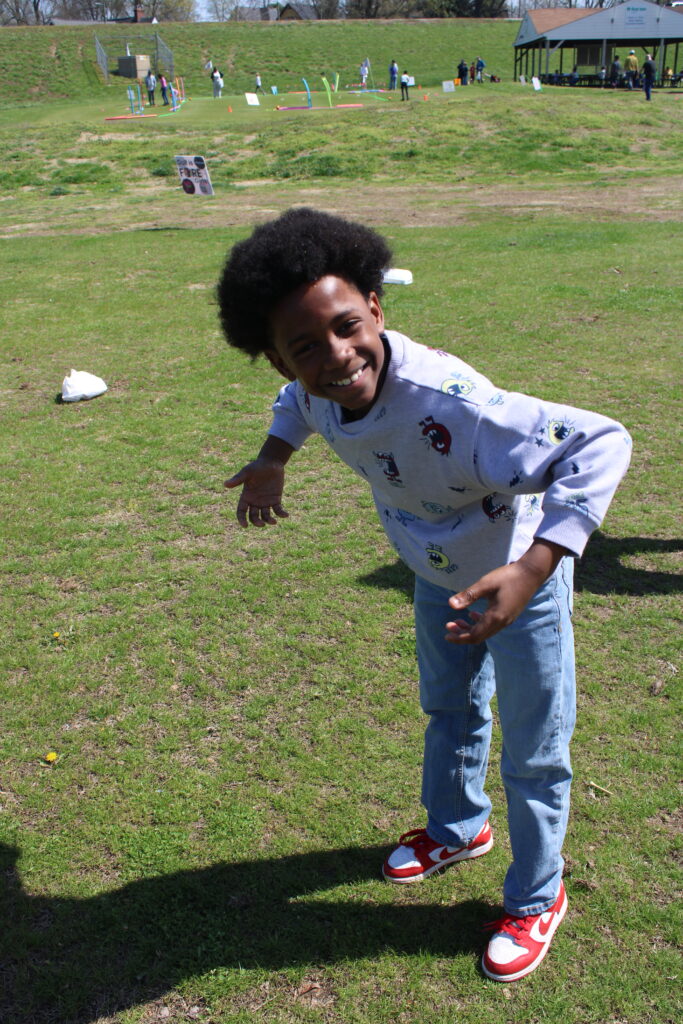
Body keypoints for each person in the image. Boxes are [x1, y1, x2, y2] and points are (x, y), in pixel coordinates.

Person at [217, 207, 632, 983]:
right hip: (436, 574)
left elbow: (601, 441)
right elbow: (295, 406)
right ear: (278, 358)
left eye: (347, 326)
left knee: (534, 750)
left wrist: (533, 570)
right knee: (448, 709)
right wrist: (273, 458)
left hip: (518, 584)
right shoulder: (312, 389)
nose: (337, 356)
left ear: (375, 308)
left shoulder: (455, 405)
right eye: (305, 347)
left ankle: (536, 894)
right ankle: (458, 827)